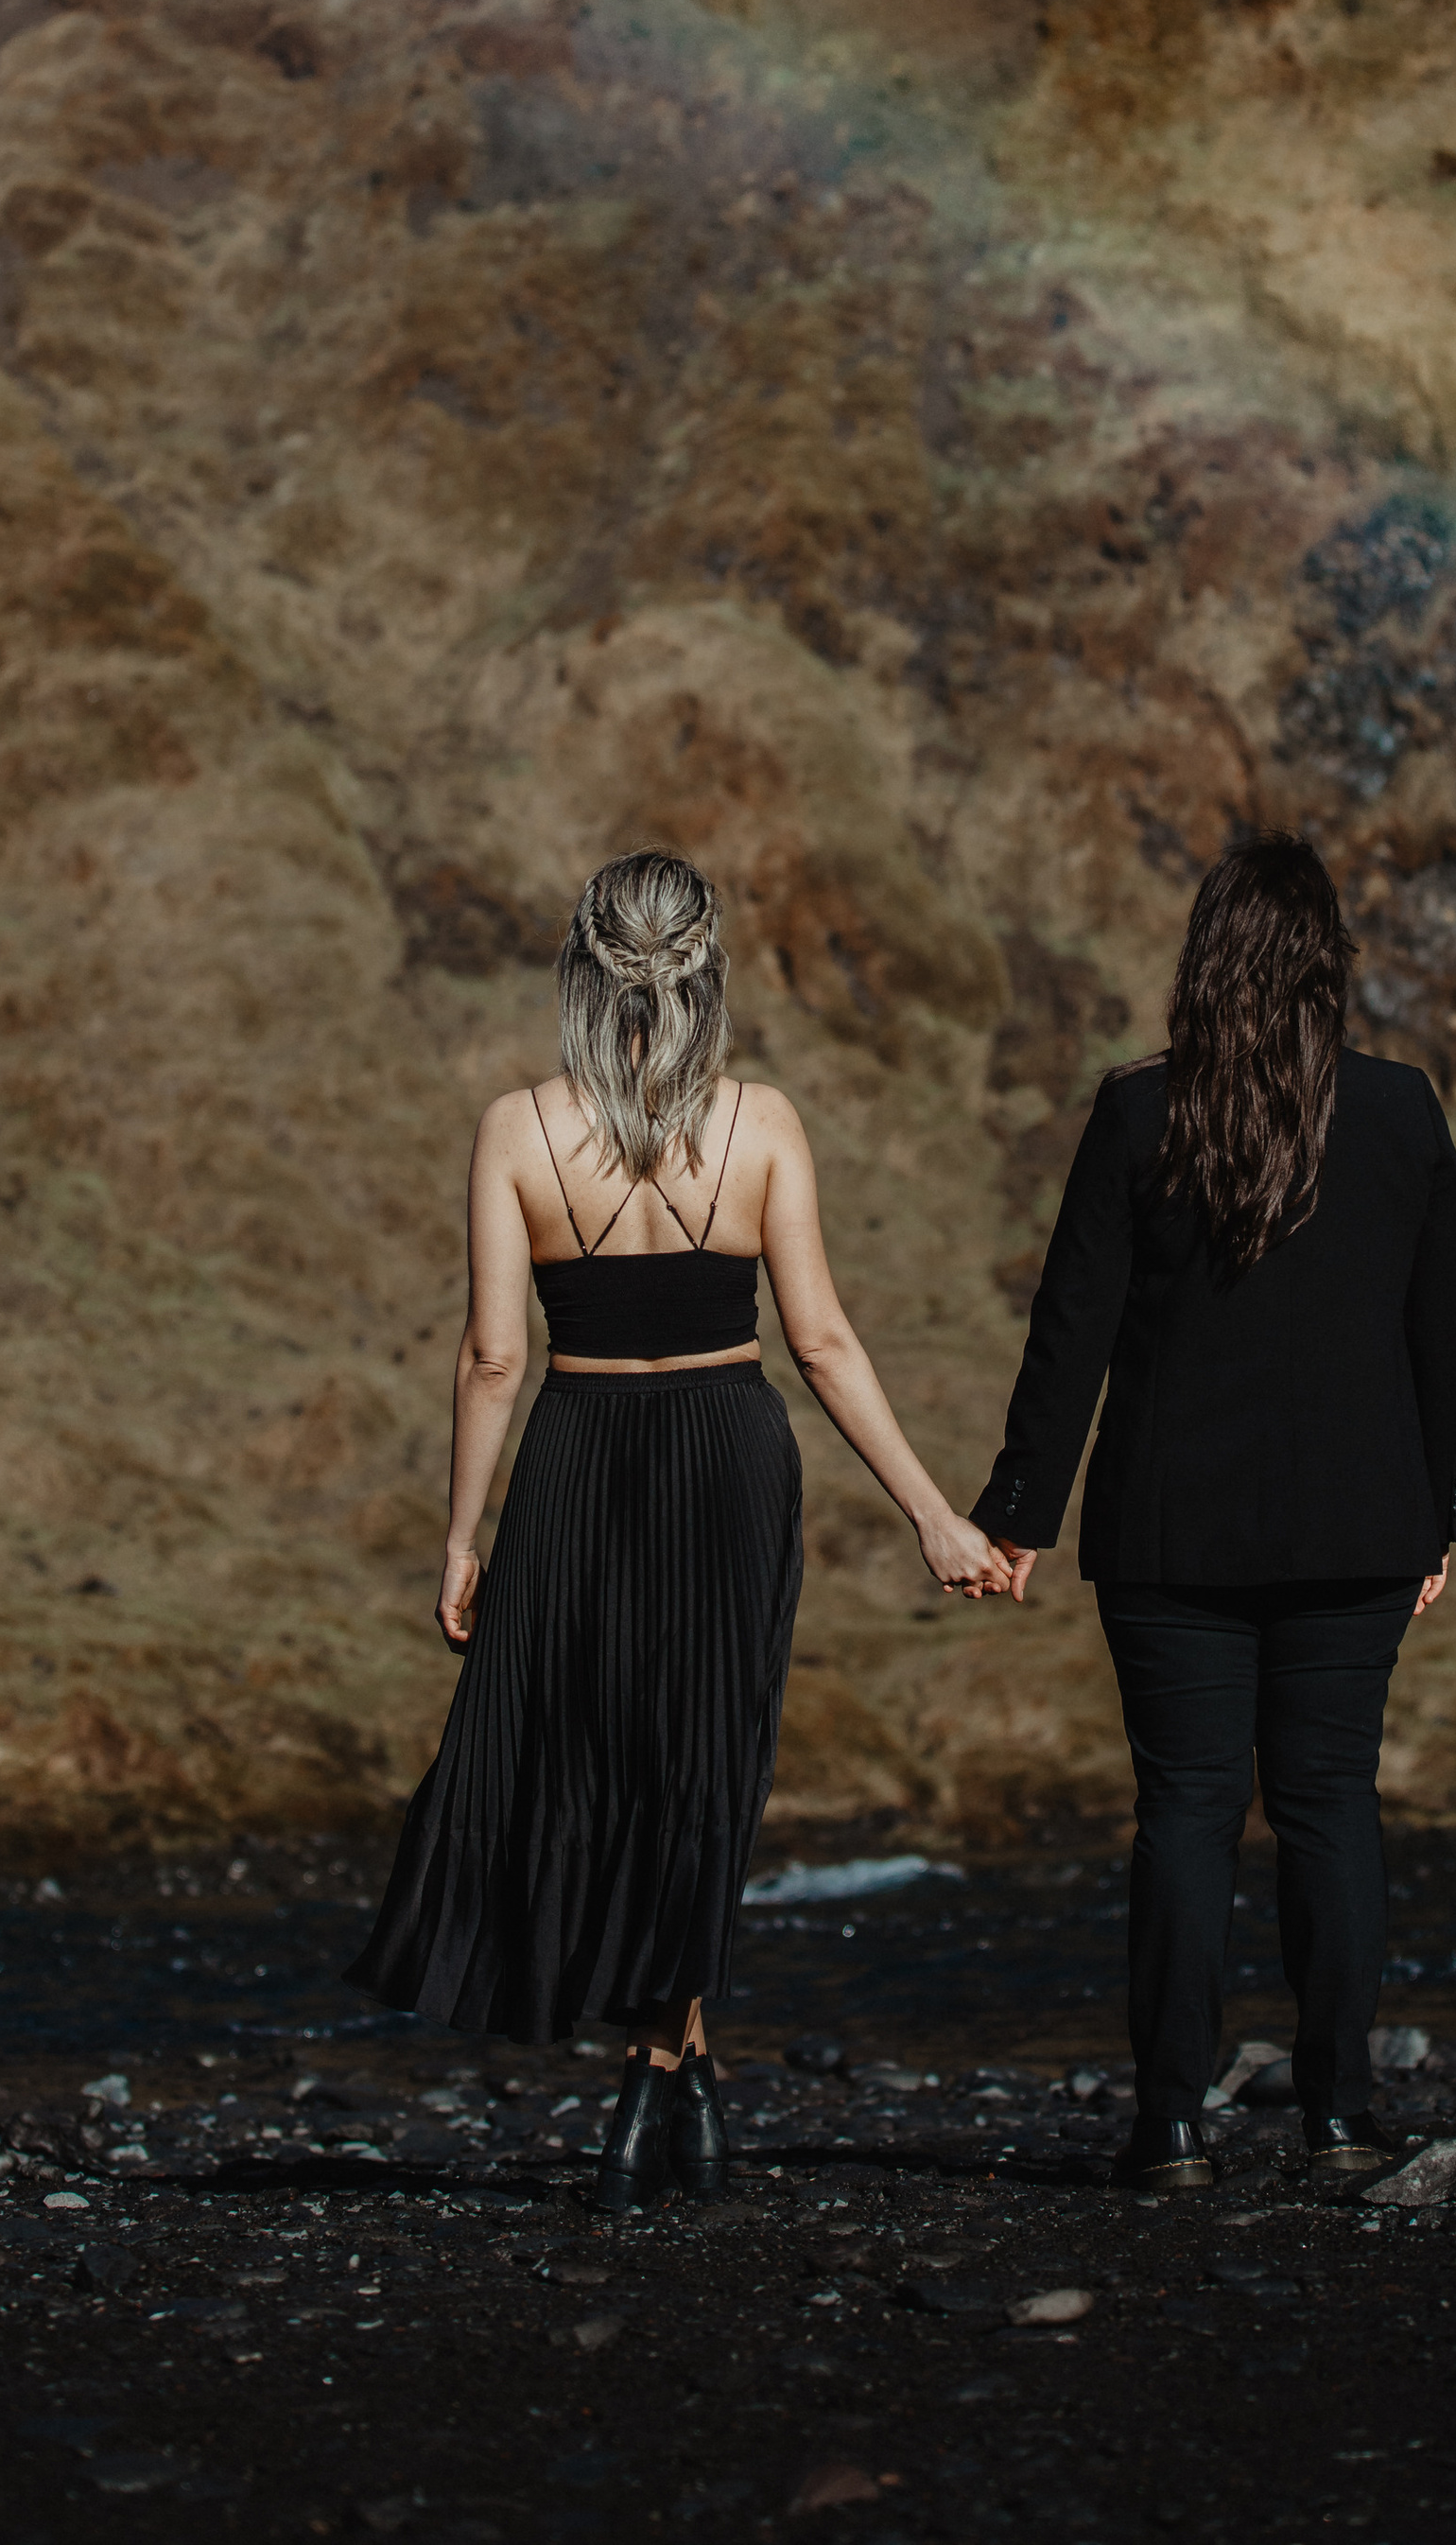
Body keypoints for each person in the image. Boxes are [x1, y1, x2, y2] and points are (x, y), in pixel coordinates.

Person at [348, 848, 1010, 2210]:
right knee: (704, 1764)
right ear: (708, 969)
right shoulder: (764, 1124)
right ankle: (680, 2070)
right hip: (728, 1455)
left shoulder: (514, 1130)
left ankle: (656, 2071)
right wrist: (935, 1515)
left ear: (582, 970)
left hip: (581, 1455)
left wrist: (461, 1536)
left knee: (591, 1761)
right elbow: (821, 1343)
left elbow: (489, 1357)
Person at [971, 832, 1456, 2193]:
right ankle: (1339, 2111)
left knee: (1185, 1811)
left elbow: (1068, 1332)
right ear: (1330, 967)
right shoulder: (1404, 1112)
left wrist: (1020, 1511)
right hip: (1359, 1527)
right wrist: (1436, 1519)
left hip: (1168, 1532)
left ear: (1207, 962)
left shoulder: (1142, 1114)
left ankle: (1173, 2125)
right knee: (1328, 1803)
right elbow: (1446, 1343)